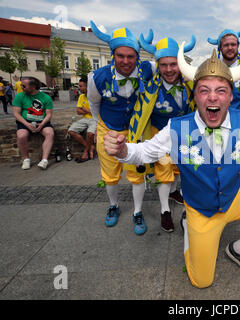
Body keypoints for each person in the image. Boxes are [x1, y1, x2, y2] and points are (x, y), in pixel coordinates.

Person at [103, 41, 240, 288]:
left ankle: (239, 248)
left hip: (236, 196)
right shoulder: (177, 127)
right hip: (201, 207)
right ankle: (190, 226)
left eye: (221, 90)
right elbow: (144, 152)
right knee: (201, 281)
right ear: (195, 95)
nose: (212, 97)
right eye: (204, 90)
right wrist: (123, 150)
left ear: (230, 96)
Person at [87, 21, 155, 234]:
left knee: (136, 173)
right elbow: (94, 105)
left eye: (131, 56)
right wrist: (105, 129)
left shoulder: (148, 69)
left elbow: (168, 64)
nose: (126, 61)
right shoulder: (96, 78)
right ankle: (113, 206)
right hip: (107, 128)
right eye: (120, 56)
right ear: (113, 55)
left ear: (137, 56)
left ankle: (137, 211)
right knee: (110, 174)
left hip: (134, 131)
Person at [136, 34, 196, 232]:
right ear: (157, 65)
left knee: (180, 169)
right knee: (164, 173)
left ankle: (175, 192)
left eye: (173, 64)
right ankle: (165, 211)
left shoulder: (189, 84)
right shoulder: (151, 85)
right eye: (163, 65)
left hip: (184, 134)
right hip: (158, 134)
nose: (169, 70)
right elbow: (138, 67)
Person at [12, 76, 55, 170]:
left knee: (50, 133)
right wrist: (26, 124)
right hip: (25, 121)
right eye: (21, 85)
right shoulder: (19, 96)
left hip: (41, 121)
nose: (22, 87)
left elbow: (48, 114)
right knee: (21, 136)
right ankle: (26, 159)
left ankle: (44, 160)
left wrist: (42, 124)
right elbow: (16, 113)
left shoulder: (45, 97)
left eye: (24, 86)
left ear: (33, 87)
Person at [208, 26, 240, 110]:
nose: (230, 48)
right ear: (220, 48)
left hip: (239, 120)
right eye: (226, 45)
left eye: (233, 44)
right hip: (215, 120)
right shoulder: (211, 70)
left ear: (238, 45)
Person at [68, 77, 97, 162]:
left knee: (91, 134)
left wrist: (85, 110)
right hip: (84, 119)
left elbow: (97, 113)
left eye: (81, 86)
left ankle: (85, 152)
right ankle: (90, 147)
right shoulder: (81, 97)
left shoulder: (95, 96)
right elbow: (78, 111)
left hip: (95, 119)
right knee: (71, 131)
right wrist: (89, 111)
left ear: (87, 86)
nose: (79, 88)